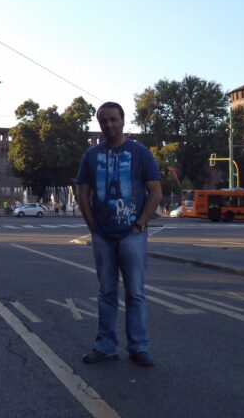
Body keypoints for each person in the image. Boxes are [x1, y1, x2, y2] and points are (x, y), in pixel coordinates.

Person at [77, 101, 162, 367]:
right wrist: (93, 228)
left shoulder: (141, 153)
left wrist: (139, 225)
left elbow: (156, 192)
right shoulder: (91, 155)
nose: (109, 125)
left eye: (113, 119)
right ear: (99, 124)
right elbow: (82, 193)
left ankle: (138, 346)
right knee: (106, 292)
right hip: (103, 235)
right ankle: (105, 345)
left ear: (123, 120)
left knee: (135, 292)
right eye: (104, 121)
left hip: (132, 235)